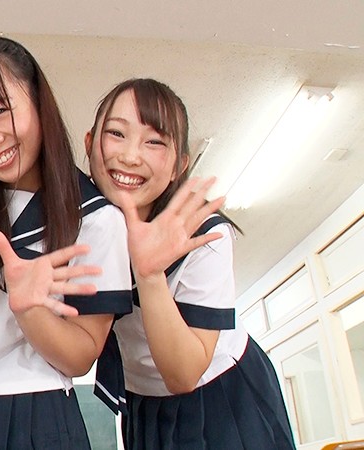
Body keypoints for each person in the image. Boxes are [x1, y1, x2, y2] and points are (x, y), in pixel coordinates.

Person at [0, 36, 133, 449]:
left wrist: (30, 310)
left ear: (38, 100)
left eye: (1, 111)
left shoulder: (95, 218)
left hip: (39, 414)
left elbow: (82, 356)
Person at [86, 78, 296, 449]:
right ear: (89, 143)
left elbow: (184, 374)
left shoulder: (204, 235)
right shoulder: (82, 224)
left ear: (179, 166)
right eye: (116, 133)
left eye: (154, 141)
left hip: (221, 396)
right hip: (143, 403)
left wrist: (150, 275)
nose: (130, 156)